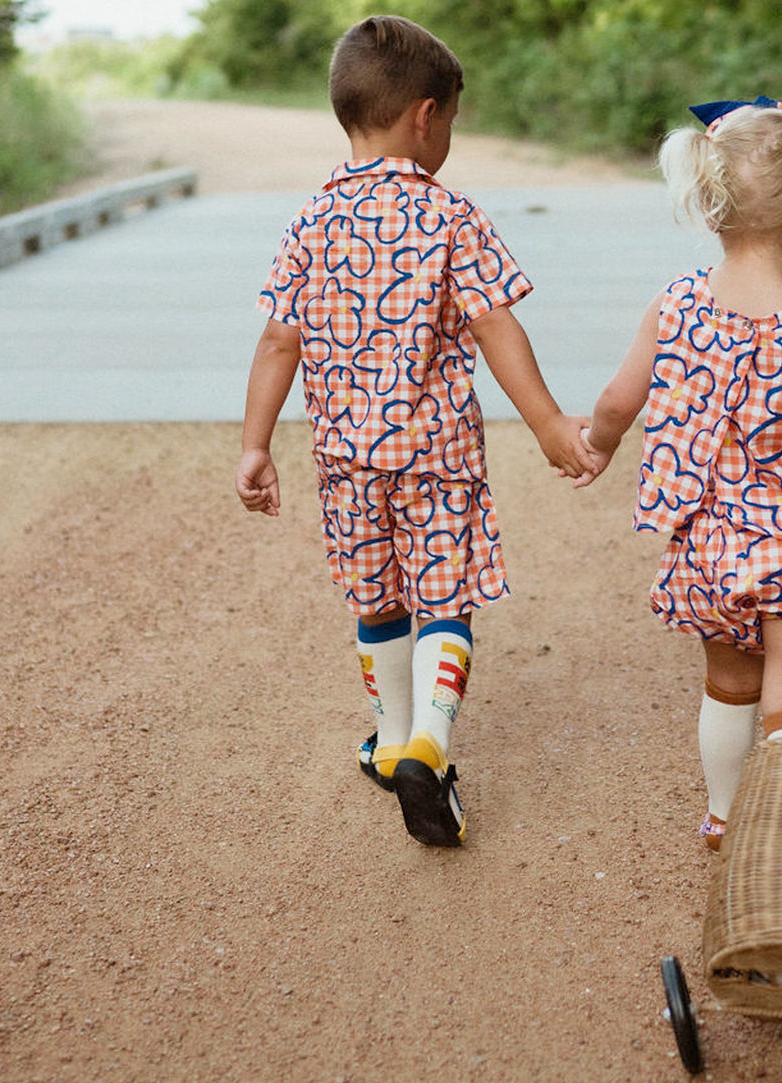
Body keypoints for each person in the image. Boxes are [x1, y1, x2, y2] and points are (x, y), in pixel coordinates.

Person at [236, 15, 591, 847]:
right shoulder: (449, 215)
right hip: (435, 453)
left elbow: (277, 339)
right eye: (454, 121)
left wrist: (255, 444)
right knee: (445, 596)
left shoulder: (310, 221)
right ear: (426, 116)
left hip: (345, 461)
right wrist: (545, 422)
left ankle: (392, 738)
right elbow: (495, 323)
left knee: (378, 596)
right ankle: (430, 738)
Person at [576, 96, 782, 850]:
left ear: (708, 204)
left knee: (727, 688)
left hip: (703, 550)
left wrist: (595, 443)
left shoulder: (678, 302)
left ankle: (724, 817)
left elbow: (616, 400)